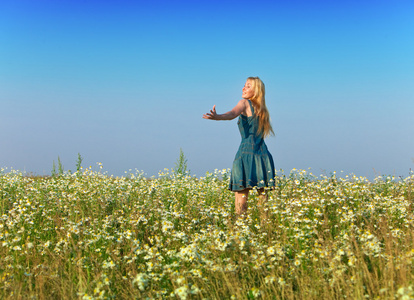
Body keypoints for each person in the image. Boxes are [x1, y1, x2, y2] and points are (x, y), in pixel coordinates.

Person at [203, 76, 275, 218]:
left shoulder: (245, 103)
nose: (243, 88)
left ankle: (240, 228)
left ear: (256, 90)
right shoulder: (263, 110)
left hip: (246, 154)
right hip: (263, 155)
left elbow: (232, 114)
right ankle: (266, 231)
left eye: (248, 86)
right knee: (263, 200)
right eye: (244, 85)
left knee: (241, 199)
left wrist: (218, 117)